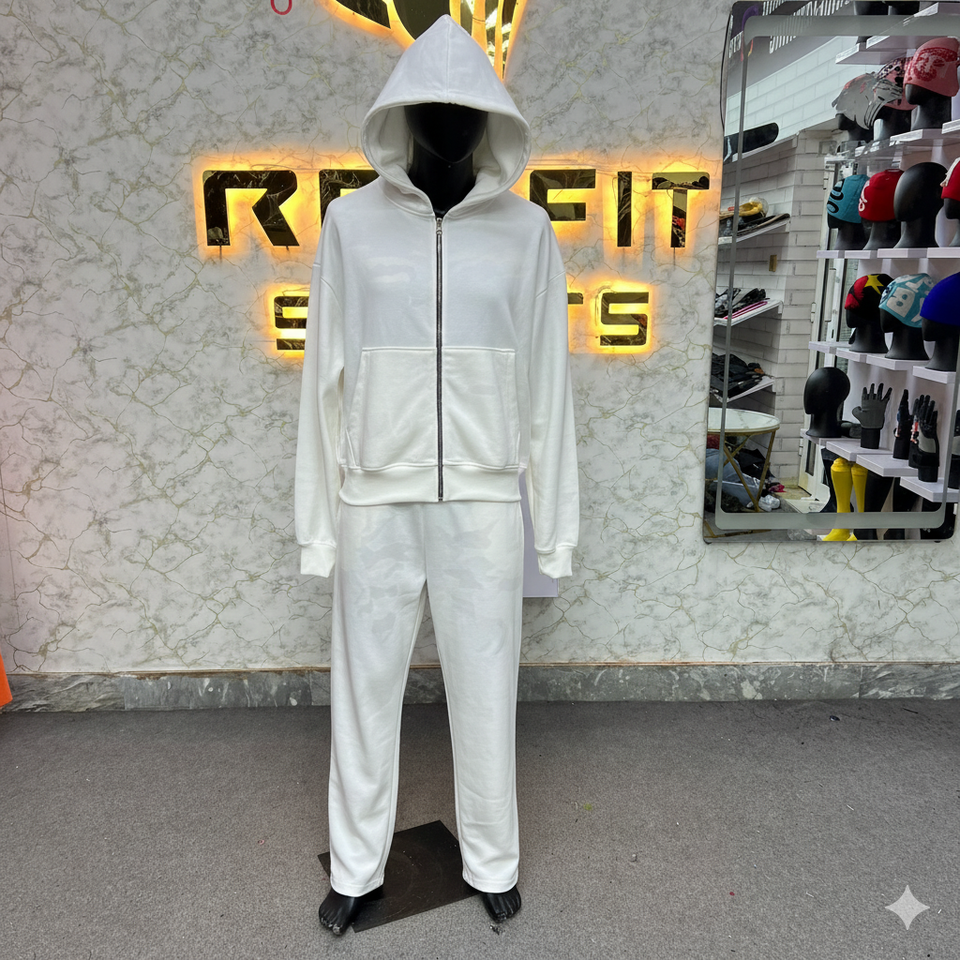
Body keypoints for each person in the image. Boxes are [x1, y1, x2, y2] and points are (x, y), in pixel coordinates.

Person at [295, 16, 579, 936]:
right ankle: (357, 865)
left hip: (485, 499)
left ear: (493, 120)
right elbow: (324, 379)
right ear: (402, 116)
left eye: (469, 110)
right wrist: (318, 527)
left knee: (487, 688)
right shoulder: (350, 224)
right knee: (364, 690)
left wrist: (554, 525)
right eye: (432, 108)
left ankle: (492, 858)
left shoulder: (528, 232)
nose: (452, 125)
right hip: (375, 496)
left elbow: (546, 385)